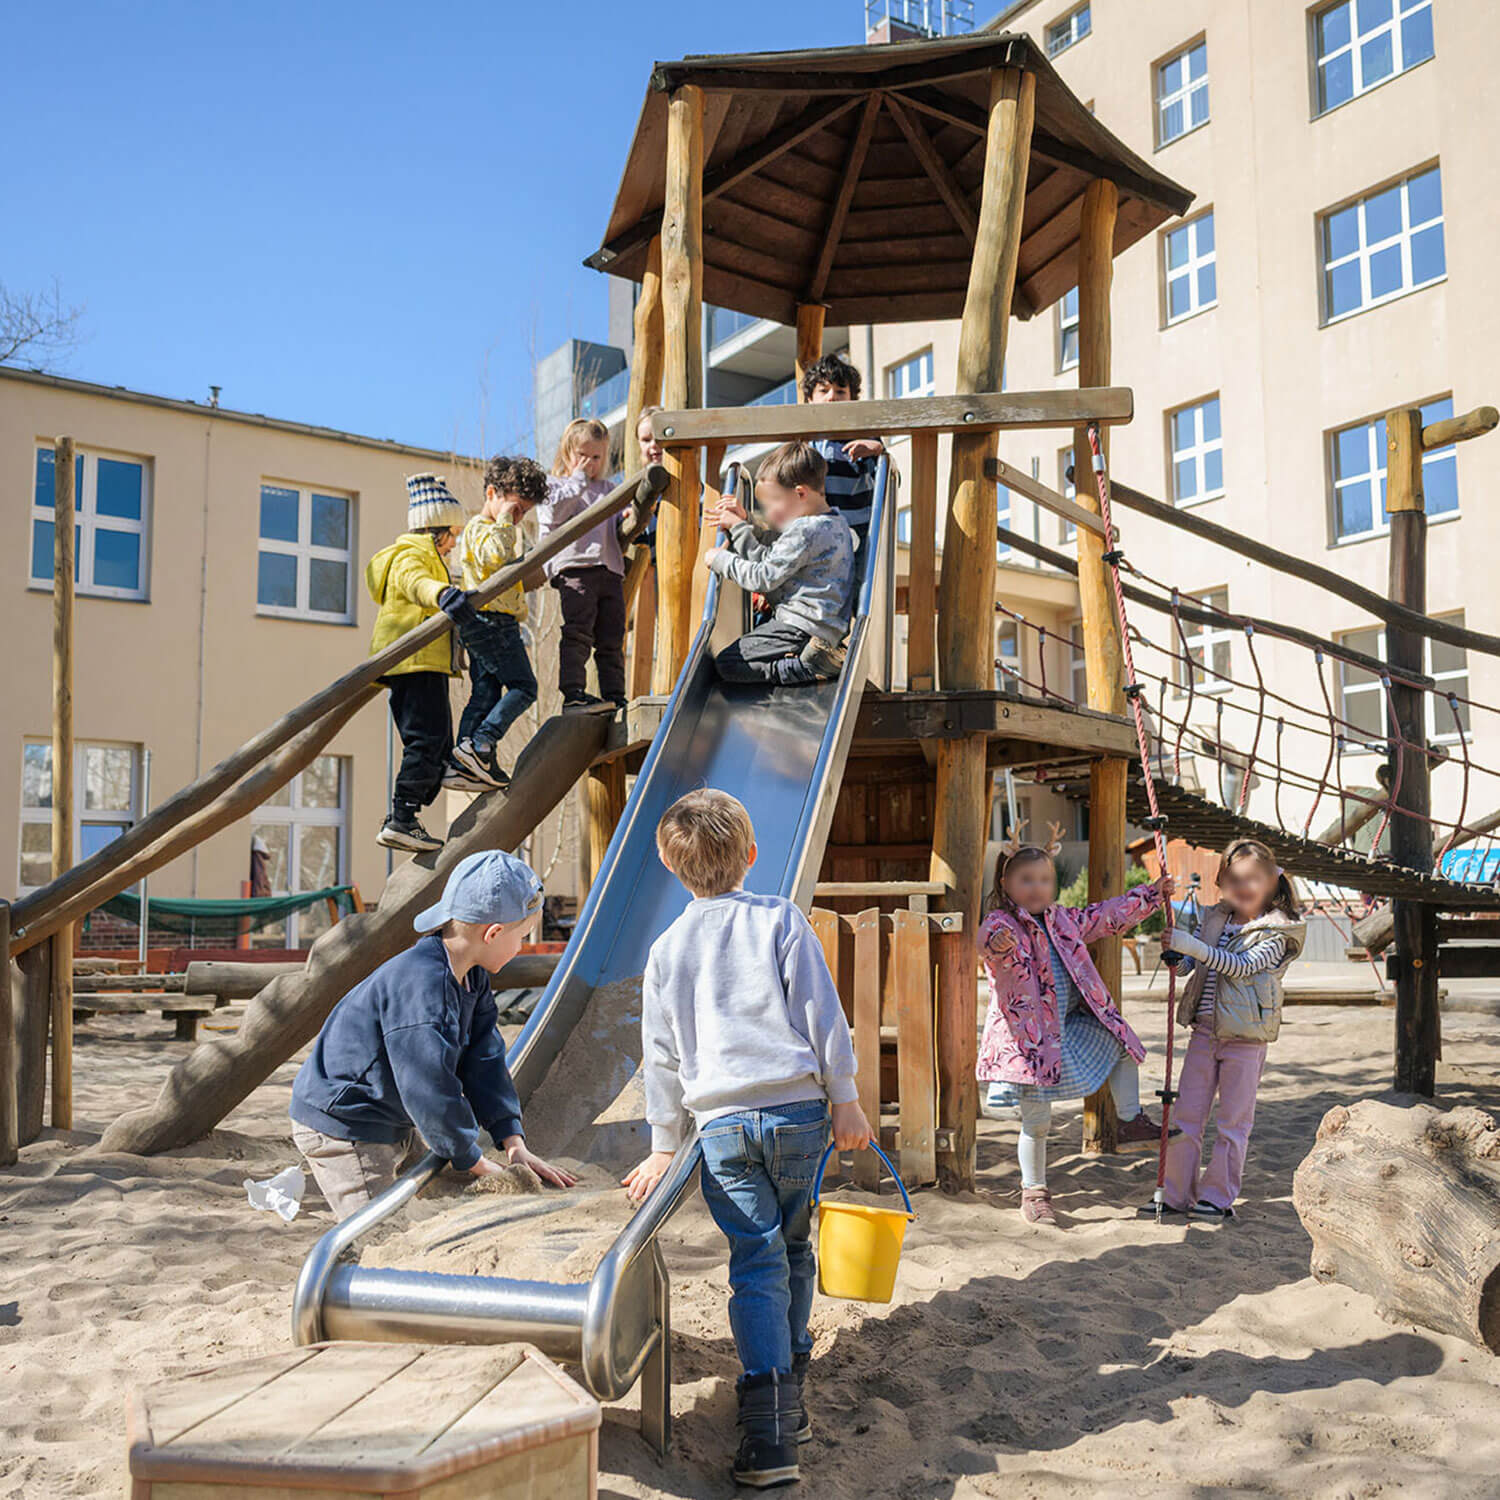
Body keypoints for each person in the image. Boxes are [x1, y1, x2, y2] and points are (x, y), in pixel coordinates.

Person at [623, 789, 872, 1489]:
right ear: (753, 857)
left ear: (675, 872)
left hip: (723, 1126)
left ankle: (769, 1433)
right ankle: (786, 1399)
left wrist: (663, 1141)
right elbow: (822, 1016)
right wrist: (846, 1100)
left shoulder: (667, 948)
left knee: (754, 1263)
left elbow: (662, 1051)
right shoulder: (780, 919)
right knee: (794, 1248)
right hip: (797, 1115)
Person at [290, 849, 577, 1220]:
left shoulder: (472, 977)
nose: (521, 946)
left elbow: (485, 1060)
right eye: (522, 936)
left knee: (445, 1168)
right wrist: (473, 1160)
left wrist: (512, 1140)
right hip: (346, 1123)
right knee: (376, 1229)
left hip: (392, 1112)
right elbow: (428, 1087)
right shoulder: (424, 990)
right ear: (492, 933)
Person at [976, 825, 1174, 1226]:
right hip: (1028, 1045)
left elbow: (1107, 916)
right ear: (1006, 883)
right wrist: (996, 943)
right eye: (1026, 880)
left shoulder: (1064, 921)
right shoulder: (1005, 924)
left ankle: (1130, 1120)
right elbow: (987, 938)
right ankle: (1034, 1193)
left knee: (1120, 1041)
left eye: (1044, 880)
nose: (1036, 888)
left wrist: (1152, 895)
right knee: (1037, 1121)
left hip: (1066, 1030)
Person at [1156, 839, 1304, 1220]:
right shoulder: (1216, 919)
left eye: (1252, 879)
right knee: (1185, 1116)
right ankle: (1176, 1194)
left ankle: (1217, 1197)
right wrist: (1180, 957)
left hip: (1246, 1038)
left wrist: (1196, 947)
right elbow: (1198, 966)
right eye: (1234, 879)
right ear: (1221, 881)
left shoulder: (1279, 931)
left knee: (1233, 1122)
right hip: (1204, 1032)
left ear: (1272, 881)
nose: (1242, 887)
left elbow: (1241, 966)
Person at [367, 472, 473, 854]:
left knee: (440, 740)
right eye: (453, 534)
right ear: (435, 529)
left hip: (426, 663)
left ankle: (423, 793)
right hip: (413, 662)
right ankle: (402, 816)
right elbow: (415, 583)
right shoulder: (411, 555)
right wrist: (442, 592)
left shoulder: (430, 556)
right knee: (425, 740)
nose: (455, 542)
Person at [704, 441, 855, 686]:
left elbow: (762, 576)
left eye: (774, 502)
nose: (770, 512)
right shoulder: (836, 525)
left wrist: (720, 559)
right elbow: (777, 551)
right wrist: (746, 523)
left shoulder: (804, 531)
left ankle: (804, 667)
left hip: (798, 628)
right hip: (824, 630)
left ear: (800, 493)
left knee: (729, 663)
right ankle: (809, 657)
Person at [445, 455, 546, 793]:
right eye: (516, 509)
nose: (518, 519)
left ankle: (463, 762)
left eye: (524, 513)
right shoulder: (481, 528)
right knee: (524, 687)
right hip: (493, 623)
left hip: (487, 622)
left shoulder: (498, 532)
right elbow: (492, 557)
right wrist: (505, 521)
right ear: (492, 493)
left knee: (485, 692)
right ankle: (482, 742)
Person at [538, 417, 626, 710]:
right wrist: (577, 479)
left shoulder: (609, 488)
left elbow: (622, 517)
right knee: (578, 632)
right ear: (567, 453)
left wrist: (628, 518)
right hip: (575, 569)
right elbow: (555, 512)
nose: (590, 463)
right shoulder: (555, 485)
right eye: (582, 455)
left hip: (609, 570)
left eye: (596, 456)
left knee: (611, 639)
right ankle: (573, 691)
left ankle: (615, 695)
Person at [802, 352, 883, 561]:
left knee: (857, 581)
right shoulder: (807, 441)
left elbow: (888, 478)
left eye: (840, 391)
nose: (832, 397)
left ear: (851, 399)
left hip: (857, 528)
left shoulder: (860, 435)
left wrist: (876, 450)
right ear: (810, 399)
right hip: (817, 528)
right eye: (823, 391)